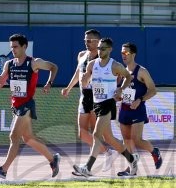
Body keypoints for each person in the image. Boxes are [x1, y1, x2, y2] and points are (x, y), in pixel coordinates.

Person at [0, 33, 61, 179]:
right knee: (29, 138)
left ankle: (3, 169)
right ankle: (52, 160)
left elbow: (53, 67)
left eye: (16, 47)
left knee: (14, 136)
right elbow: (1, 82)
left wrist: (49, 83)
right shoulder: (9, 64)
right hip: (15, 105)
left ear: (24, 46)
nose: (13, 50)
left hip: (27, 104)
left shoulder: (34, 63)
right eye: (11, 47)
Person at [72, 37, 139, 177]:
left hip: (108, 103)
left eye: (103, 48)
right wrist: (84, 79)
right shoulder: (91, 64)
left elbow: (128, 77)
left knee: (96, 133)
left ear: (109, 50)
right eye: (99, 48)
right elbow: (85, 82)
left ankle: (88, 167)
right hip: (96, 103)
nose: (100, 51)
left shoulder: (115, 65)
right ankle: (132, 160)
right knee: (109, 138)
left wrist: (120, 89)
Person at [61, 29, 115, 168]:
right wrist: (68, 87)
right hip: (84, 95)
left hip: (96, 97)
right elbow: (78, 72)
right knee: (83, 134)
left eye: (90, 40)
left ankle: (89, 166)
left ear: (98, 41)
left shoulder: (102, 57)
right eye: (85, 40)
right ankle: (108, 152)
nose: (87, 42)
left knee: (96, 132)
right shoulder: (81, 55)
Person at [116, 42, 163, 176]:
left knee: (136, 139)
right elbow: (120, 91)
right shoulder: (122, 72)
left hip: (137, 109)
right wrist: (118, 96)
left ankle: (154, 151)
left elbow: (153, 90)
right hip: (124, 109)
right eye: (122, 53)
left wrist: (140, 100)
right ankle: (132, 167)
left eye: (126, 53)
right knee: (126, 140)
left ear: (133, 54)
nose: (123, 55)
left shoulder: (141, 71)